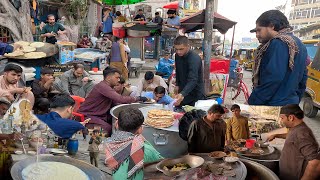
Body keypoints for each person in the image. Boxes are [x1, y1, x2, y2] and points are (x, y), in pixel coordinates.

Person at [248, 10, 308, 106]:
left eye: (259, 30)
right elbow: (303, 78)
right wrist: (295, 100)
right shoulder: (299, 44)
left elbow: (272, 78)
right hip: (290, 105)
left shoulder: (278, 43)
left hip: (273, 106)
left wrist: (253, 101)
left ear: (272, 26)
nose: (257, 34)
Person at [78, 67, 147, 135]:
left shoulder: (108, 87)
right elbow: (120, 99)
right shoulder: (102, 86)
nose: (119, 80)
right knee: (108, 129)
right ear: (108, 78)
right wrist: (138, 98)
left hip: (100, 115)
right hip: (89, 115)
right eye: (117, 78)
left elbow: (115, 102)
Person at [105, 107, 163, 179]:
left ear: (116, 124)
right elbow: (162, 166)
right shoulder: (145, 150)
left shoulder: (109, 143)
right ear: (140, 129)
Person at [275, 104, 320, 180]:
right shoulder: (296, 128)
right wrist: (276, 135)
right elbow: (291, 136)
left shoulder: (302, 134)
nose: (281, 121)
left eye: (282, 118)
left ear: (290, 117)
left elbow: (315, 163)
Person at [173, 36, 205, 106]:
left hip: (195, 93)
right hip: (183, 91)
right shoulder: (177, 56)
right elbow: (177, 70)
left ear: (188, 46)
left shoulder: (194, 58)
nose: (178, 52)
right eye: (176, 49)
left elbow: (193, 79)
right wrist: (177, 84)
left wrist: (182, 93)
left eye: (181, 49)